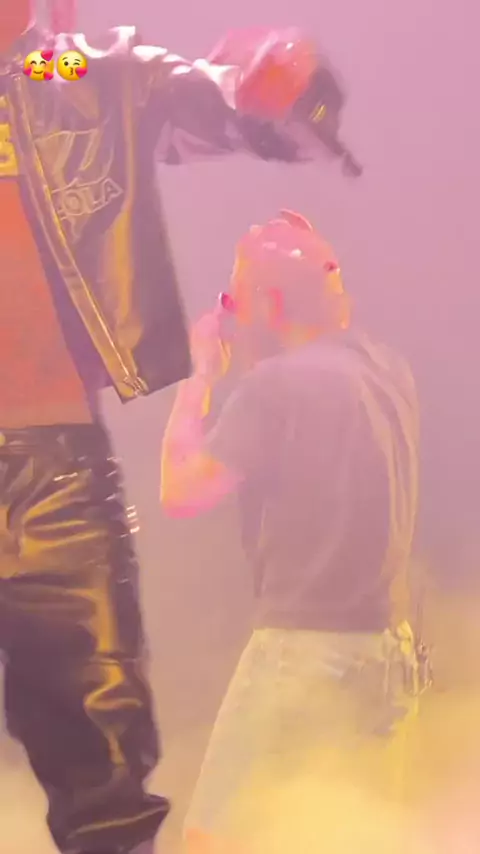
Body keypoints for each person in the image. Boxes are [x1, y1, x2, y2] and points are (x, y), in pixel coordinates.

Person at [0, 1, 362, 852]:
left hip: (53, 475)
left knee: (107, 794)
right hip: (54, 466)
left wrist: (281, 86)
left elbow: (214, 97)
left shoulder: (69, 76)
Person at [160, 211, 422, 854]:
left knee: (217, 837)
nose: (231, 317)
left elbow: (181, 492)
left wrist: (200, 376)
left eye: (235, 301)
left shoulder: (275, 387)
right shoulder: (387, 369)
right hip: (389, 654)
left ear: (270, 306)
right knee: (343, 833)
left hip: (303, 653)